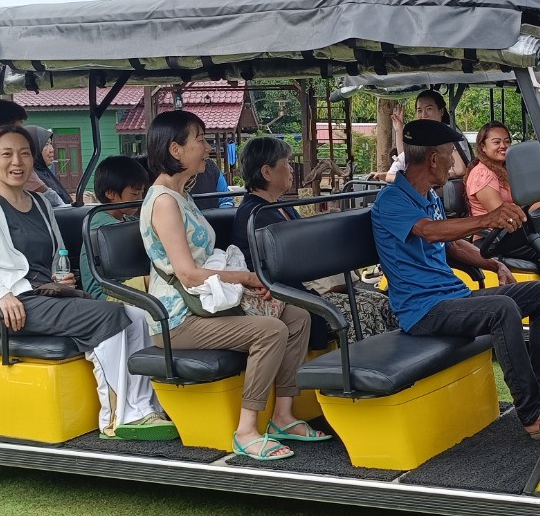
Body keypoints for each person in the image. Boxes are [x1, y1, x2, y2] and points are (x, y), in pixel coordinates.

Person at [0, 125, 170, 439]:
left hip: (50, 294)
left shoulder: (41, 204)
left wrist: (60, 277)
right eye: (7, 154)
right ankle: (120, 416)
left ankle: (145, 407)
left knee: (137, 314)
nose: (17, 162)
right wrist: (1, 293)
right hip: (18, 305)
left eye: (25, 154)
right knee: (109, 315)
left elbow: (54, 259)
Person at [140, 111, 327, 461]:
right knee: (270, 330)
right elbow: (188, 274)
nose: (207, 148)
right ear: (175, 150)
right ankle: (246, 431)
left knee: (297, 316)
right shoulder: (164, 202)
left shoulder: (181, 195)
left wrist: (247, 284)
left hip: (206, 304)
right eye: (200, 140)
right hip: (179, 319)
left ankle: (283, 416)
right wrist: (247, 279)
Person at [372, 119, 540, 439]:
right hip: (422, 310)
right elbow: (429, 231)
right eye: (450, 154)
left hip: (452, 298)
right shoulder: (392, 199)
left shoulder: (429, 197)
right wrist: (487, 219)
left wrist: (494, 264)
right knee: (502, 309)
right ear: (433, 158)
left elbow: (452, 245)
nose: (453, 163)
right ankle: (532, 413)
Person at [231, 137, 399, 347]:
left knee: (383, 303)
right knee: (363, 310)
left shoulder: (279, 206)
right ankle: (365, 363)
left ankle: (396, 357)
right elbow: (286, 266)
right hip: (289, 294)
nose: (291, 169)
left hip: (307, 287)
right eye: (286, 163)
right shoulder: (255, 214)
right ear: (267, 172)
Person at [464, 121, 540, 263]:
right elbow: (501, 215)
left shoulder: (507, 170)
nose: (503, 146)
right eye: (496, 142)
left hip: (515, 232)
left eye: (507, 141)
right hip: (494, 238)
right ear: (483, 147)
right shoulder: (482, 173)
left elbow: (528, 198)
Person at [80, 155, 150, 300]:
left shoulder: (127, 219)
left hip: (123, 285)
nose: (140, 199)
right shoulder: (103, 225)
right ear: (110, 193)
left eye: (142, 193)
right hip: (105, 294)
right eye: (134, 194)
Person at [381, 90, 468, 182]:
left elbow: (460, 169)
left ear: (441, 111)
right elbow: (408, 160)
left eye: (429, 109)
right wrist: (399, 130)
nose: (424, 115)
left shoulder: (448, 132)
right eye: (419, 110)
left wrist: (433, 175)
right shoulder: (424, 134)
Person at [26, 125, 70, 208]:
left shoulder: (44, 173)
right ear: (33, 148)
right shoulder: (30, 177)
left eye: (51, 144)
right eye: (46, 144)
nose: (51, 149)